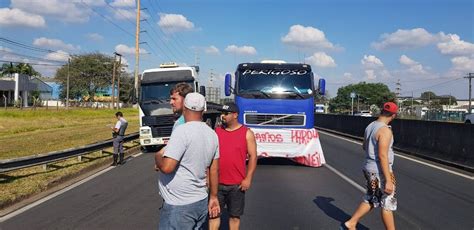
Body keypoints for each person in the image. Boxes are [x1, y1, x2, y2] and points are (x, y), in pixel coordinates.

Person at [155, 92, 220, 229]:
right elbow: (214, 169)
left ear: (184, 108)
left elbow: (167, 167)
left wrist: (158, 156)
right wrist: (213, 197)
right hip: (200, 200)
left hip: (179, 205)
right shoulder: (212, 134)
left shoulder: (182, 131)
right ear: (203, 110)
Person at [342, 102, 399, 230]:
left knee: (372, 198)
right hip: (380, 170)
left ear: (381, 111)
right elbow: (383, 155)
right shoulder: (385, 130)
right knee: (388, 202)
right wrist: (388, 180)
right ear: (394, 115)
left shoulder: (370, 126)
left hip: (369, 167)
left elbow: (364, 146)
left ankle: (351, 223)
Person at [209, 102, 257, 230]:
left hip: (237, 185)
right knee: (213, 215)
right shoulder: (216, 132)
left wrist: (248, 178)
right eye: (221, 113)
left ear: (235, 115)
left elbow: (253, 156)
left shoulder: (247, 133)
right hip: (216, 183)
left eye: (226, 113)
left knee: (235, 217)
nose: (222, 116)